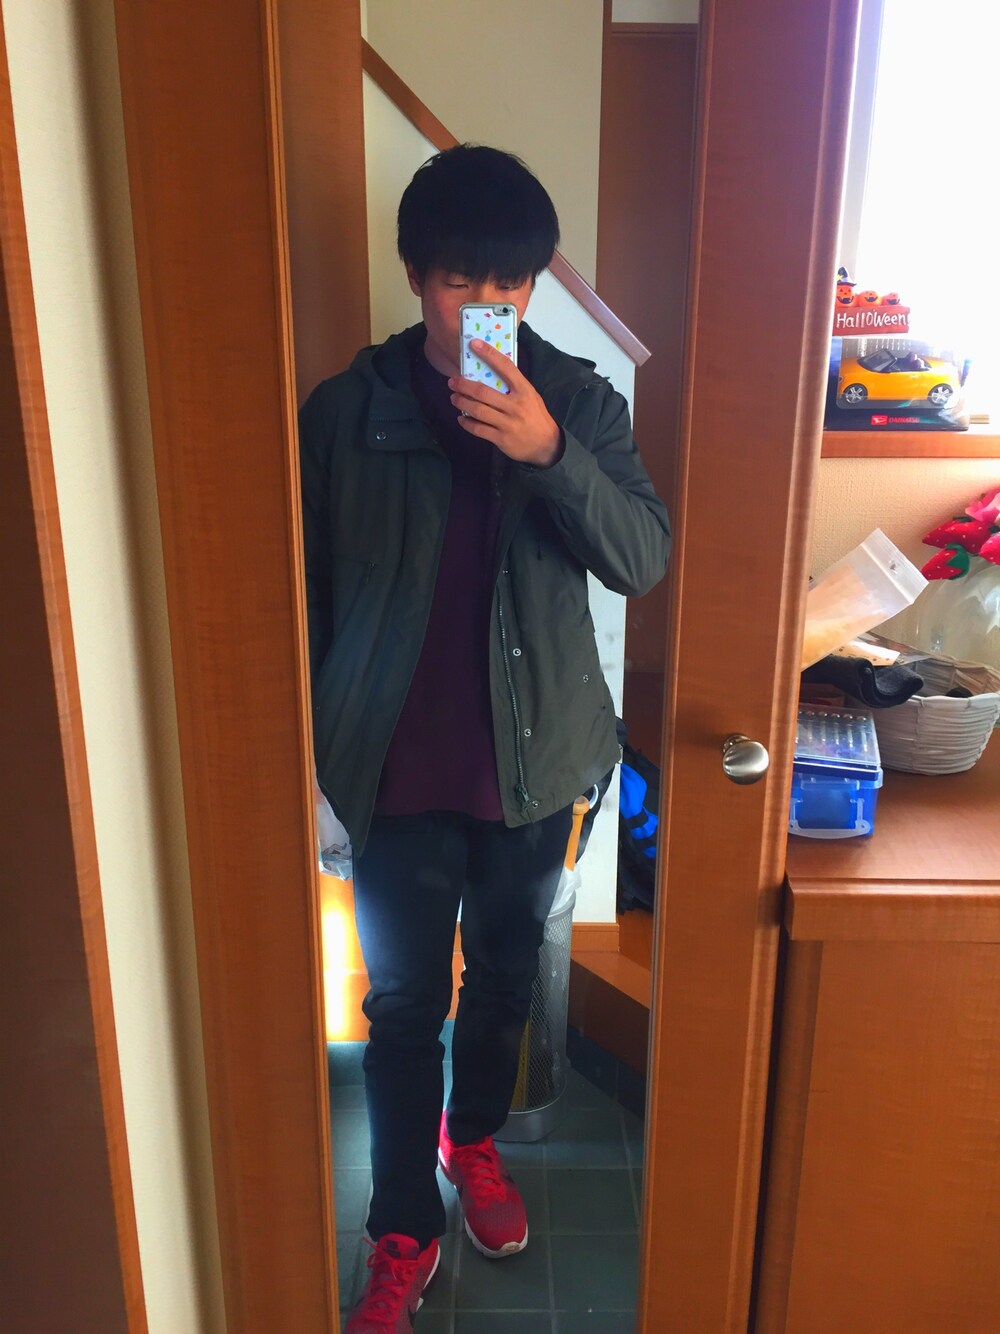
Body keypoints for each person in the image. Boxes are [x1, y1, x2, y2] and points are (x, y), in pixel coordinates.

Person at [298, 144, 670, 1332]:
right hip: (394, 770)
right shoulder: (345, 412)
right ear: (416, 275)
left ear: (533, 286)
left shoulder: (580, 403)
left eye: (508, 285)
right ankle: (401, 1227)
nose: (484, 308)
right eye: (461, 282)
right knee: (405, 1004)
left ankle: (472, 1144)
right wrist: (308, 763)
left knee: (505, 977)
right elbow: (303, 592)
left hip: (536, 763)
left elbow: (641, 558)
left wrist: (549, 454)